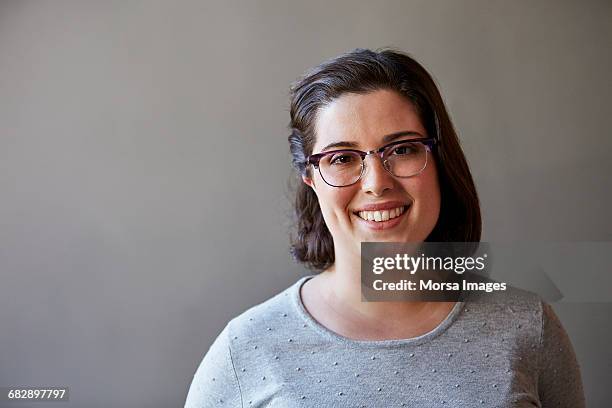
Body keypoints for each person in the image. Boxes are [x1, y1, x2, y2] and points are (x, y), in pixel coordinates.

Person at [184, 48, 585, 407]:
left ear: (440, 160)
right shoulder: (246, 350)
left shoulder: (529, 327)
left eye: (403, 149)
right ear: (310, 177)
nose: (377, 182)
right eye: (342, 158)